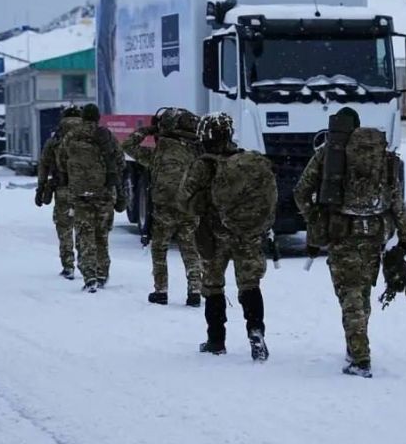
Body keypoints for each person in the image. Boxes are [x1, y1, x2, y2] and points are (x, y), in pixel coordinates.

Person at [293, 108, 406, 378]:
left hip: (341, 232)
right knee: (362, 291)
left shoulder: (329, 154)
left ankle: (360, 357)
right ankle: (356, 343)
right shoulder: (384, 156)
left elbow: (301, 191)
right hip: (374, 234)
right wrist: (405, 236)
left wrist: (315, 219)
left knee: (349, 294)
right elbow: (396, 199)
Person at [178, 113, 277, 361]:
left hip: (215, 234)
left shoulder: (204, 164)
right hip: (246, 233)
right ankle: (256, 333)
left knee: (212, 285)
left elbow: (184, 200)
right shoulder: (247, 160)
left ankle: (216, 340)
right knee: (250, 285)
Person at [122, 109, 204, 307]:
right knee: (190, 249)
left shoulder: (159, 153)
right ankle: (194, 290)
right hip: (189, 207)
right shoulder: (196, 152)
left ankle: (161, 291)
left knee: (159, 249)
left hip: (164, 208)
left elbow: (127, 145)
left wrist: (147, 130)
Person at [57, 103, 126, 293]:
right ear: (97, 117)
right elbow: (120, 161)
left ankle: (89, 277)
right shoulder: (106, 135)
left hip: (80, 194)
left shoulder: (71, 135)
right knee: (101, 236)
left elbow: (61, 159)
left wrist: (74, 175)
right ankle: (102, 273)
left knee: (84, 235)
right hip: (104, 194)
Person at [35, 106, 82, 279]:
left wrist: (40, 189)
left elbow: (44, 165)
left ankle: (68, 265)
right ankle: (86, 264)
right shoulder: (89, 136)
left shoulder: (56, 138)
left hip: (63, 189)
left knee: (64, 229)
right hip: (85, 191)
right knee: (84, 228)